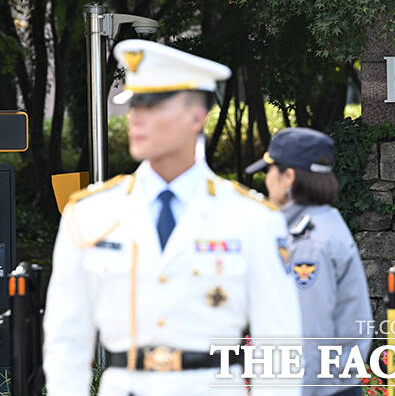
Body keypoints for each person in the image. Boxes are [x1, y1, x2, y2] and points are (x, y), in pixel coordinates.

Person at [43, 39, 302, 396]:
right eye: (134, 103)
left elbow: (280, 344)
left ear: (197, 116)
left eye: (153, 104)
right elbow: (66, 339)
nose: (136, 116)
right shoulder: (90, 213)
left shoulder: (251, 217)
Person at [245, 128, 373, 396]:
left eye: (270, 170)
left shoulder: (309, 243)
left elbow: (309, 338)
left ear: (288, 177)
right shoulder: (324, 222)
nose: (266, 180)